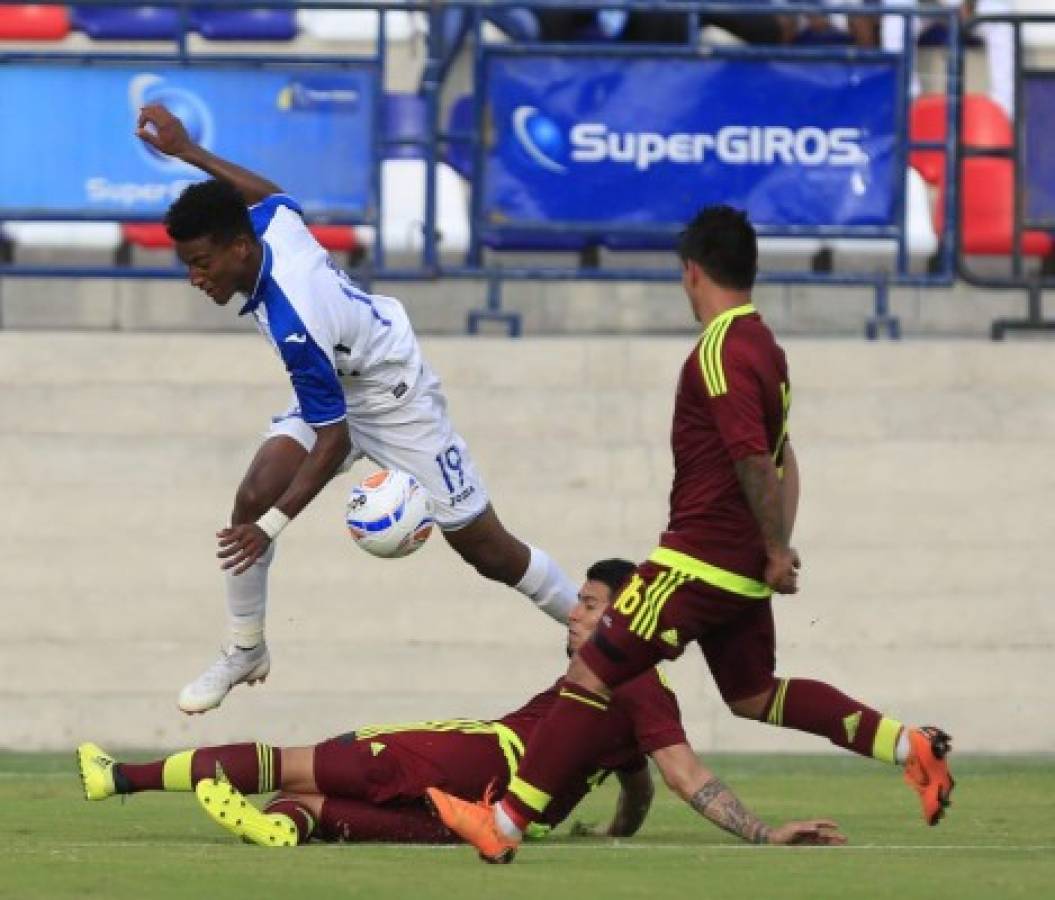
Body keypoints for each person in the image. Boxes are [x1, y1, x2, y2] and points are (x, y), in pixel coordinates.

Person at [426, 206, 956, 865]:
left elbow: (752, 459)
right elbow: (786, 461)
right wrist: (772, 547)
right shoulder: (767, 349)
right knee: (753, 693)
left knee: (589, 672)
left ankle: (502, 824)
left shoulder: (719, 350)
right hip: (735, 566)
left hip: (696, 563)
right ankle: (912, 747)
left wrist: (774, 549)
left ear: (691, 272)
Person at [134, 104, 579, 715]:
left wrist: (270, 531)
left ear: (240, 248)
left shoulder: (297, 320)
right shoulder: (268, 227)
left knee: (488, 551)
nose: (194, 278)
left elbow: (335, 441)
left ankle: (592, 630)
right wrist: (189, 153)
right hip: (336, 382)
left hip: (394, 396)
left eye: (201, 263)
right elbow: (277, 197)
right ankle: (245, 649)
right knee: (252, 493)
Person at [75, 560, 844, 849]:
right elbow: (642, 776)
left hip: (477, 754)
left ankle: (124, 779)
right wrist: (608, 831)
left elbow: (683, 775)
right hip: (495, 816)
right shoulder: (642, 698)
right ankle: (279, 824)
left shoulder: (631, 676)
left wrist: (762, 834)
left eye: (587, 604)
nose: (573, 616)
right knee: (319, 804)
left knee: (300, 759)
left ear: (620, 616)